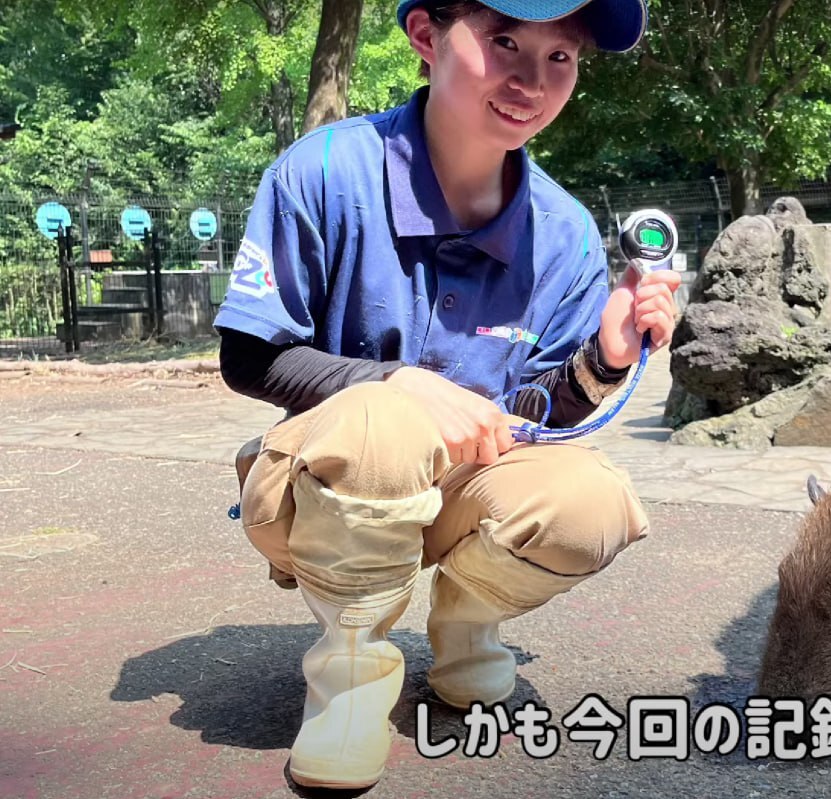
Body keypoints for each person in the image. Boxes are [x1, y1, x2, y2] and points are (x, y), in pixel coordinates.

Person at [213, 0, 679, 789]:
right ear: (426, 36)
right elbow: (249, 354)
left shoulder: (562, 231)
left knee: (594, 499)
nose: (531, 81)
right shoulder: (323, 171)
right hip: (324, 491)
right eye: (503, 41)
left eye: (560, 57)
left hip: (465, 489)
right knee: (383, 417)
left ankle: (467, 628)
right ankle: (351, 679)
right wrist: (397, 384)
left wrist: (603, 359)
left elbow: (536, 414)